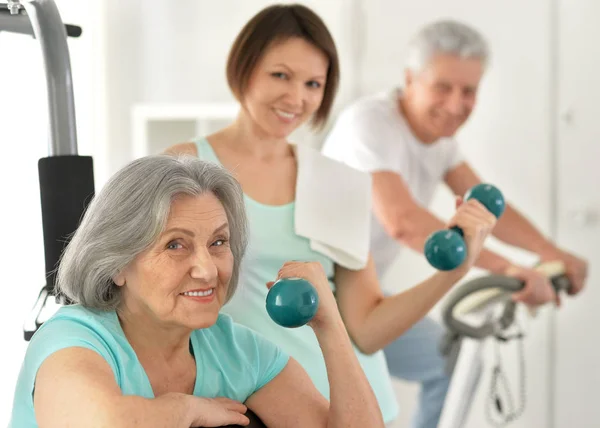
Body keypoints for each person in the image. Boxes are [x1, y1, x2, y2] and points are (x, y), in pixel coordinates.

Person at [164, 5, 498, 425]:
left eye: (313, 84)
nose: (297, 98)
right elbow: (152, 298)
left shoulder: (335, 182)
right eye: (280, 75)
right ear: (244, 67)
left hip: (346, 406)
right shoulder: (183, 168)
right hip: (248, 403)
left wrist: (456, 270)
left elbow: (366, 329)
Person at [321, 19, 589, 428]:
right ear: (411, 80)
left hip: (365, 291)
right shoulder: (370, 124)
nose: (455, 104)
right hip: (322, 294)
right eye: (442, 87)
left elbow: (488, 208)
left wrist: (550, 252)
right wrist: (509, 269)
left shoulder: (440, 141)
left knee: (449, 362)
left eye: (469, 91)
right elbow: (404, 222)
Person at [9, 155, 386, 428]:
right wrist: (186, 409)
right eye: (176, 245)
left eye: (219, 242)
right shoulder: (73, 337)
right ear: (118, 263)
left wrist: (329, 321)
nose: (207, 269)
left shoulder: (236, 351)